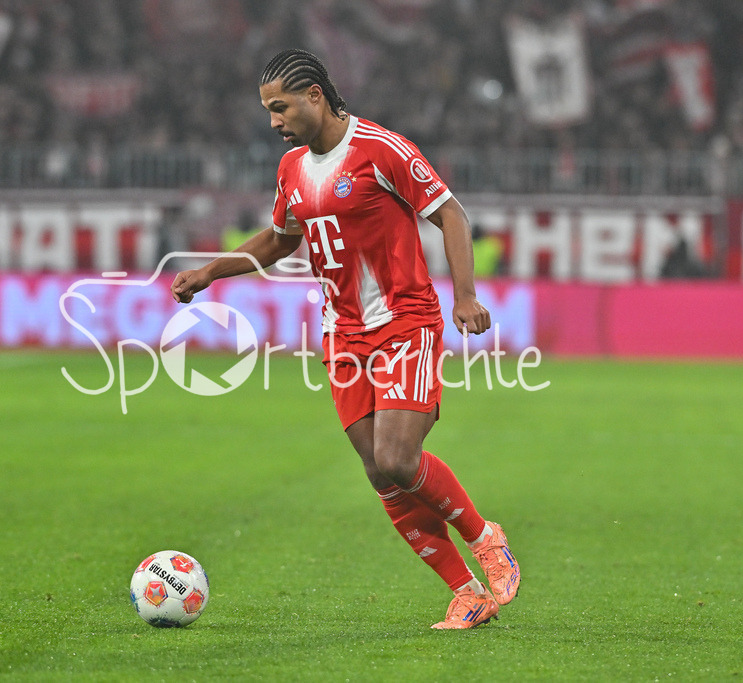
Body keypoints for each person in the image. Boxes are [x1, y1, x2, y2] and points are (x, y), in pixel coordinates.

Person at [171, 49, 519, 630]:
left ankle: (485, 537)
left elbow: (451, 214)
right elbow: (280, 240)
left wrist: (464, 295)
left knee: (397, 458)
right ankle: (467, 592)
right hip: (343, 334)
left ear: (315, 96)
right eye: (268, 110)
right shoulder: (291, 170)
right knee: (379, 473)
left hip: (405, 321)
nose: (274, 122)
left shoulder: (381, 149)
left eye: (280, 107)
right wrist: (211, 271)